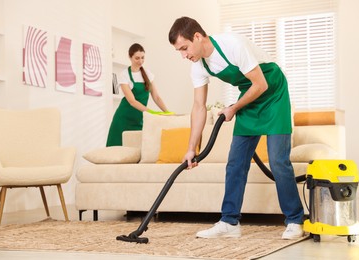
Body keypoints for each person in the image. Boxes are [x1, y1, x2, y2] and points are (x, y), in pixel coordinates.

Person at [168, 17, 305, 240]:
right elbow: (199, 107)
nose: (184, 55)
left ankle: (294, 220)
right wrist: (191, 147)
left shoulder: (232, 45)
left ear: (197, 36)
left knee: (278, 161)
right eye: (179, 51)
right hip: (250, 97)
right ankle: (229, 222)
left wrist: (234, 107)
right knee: (236, 162)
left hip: (274, 93)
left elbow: (261, 84)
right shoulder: (198, 66)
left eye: (184, 48)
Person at [107, 43, 171, 146]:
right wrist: (151, 112)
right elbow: (132, 101)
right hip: (123, 119)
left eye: (142, 58)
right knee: (116, 149)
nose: (140, 61)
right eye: (137, 58)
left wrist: (167, 112)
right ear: (130, 57)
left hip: (138, 118)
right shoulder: (124, 75)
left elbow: (156, 97)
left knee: (137, 148)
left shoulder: (148, 74)